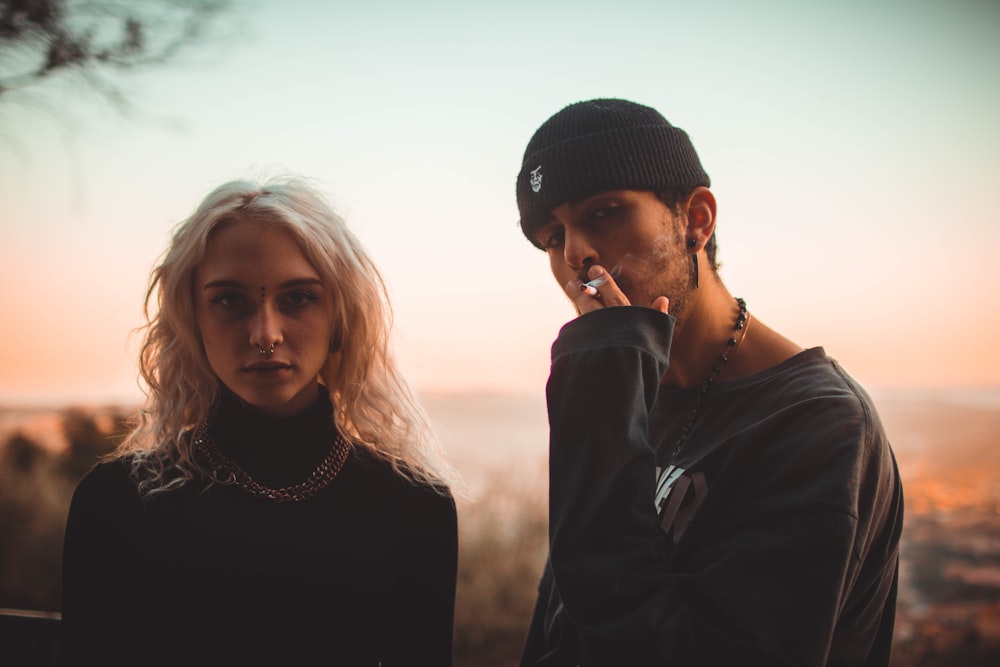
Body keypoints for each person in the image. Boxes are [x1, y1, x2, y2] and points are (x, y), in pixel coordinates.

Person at [513, 98, 904, 666]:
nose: (576, 254)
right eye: (552, 237)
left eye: (603, 212)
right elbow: (560, 624)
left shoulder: (817, 424)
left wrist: (597, 395)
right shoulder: (628, 393)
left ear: (696, 220)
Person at [59, 176, 461, 666]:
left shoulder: (415, 507)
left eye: (297, 298)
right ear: (193, 319)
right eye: (230, 300)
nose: (265, 334)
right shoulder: (116, 503)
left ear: (340, 317)